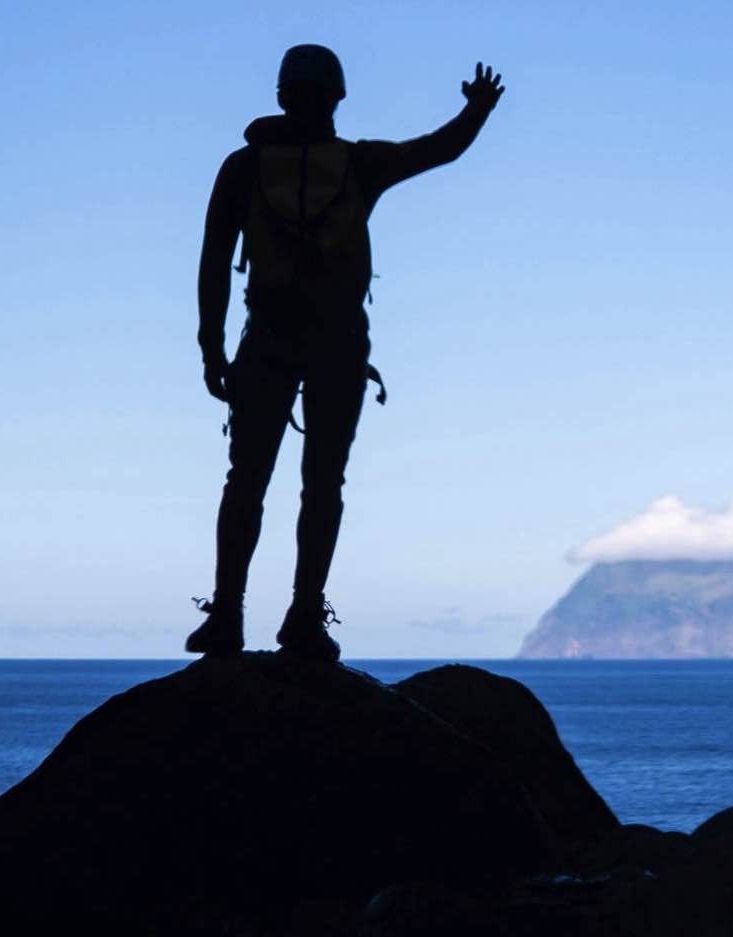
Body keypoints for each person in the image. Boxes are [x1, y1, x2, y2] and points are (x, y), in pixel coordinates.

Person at [187, 44, 505, 659]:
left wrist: (212, 346)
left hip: (267, 340)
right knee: (322, 484)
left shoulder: (242, 169)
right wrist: (477, 112)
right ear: (337, 97)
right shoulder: (360, 165)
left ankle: (228, 615)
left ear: (282, 95)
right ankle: (304, 617)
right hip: (337, 343)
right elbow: (439, 149)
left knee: (246, 480)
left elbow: (213, 266)